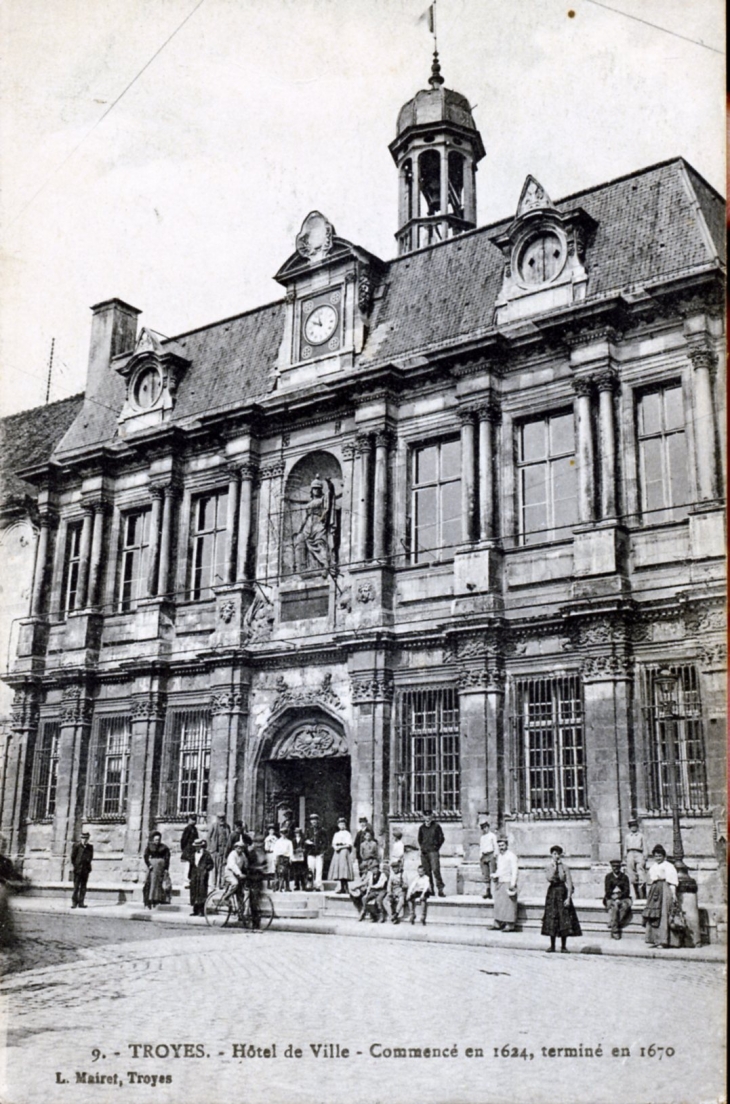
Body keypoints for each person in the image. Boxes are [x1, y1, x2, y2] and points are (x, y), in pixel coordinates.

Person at [541, 845, 582, 952]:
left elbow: (569, 882)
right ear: (551, 855)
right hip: (552, 894)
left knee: (564, 919)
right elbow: (549, 878)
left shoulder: (565, 867)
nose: (556, 856)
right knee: (552, 918)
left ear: (561, 855)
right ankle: (552, 945)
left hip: (562, 893)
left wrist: (568, 898)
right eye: (554, 854)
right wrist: (554, 867)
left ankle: (563, 946)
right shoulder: (548, 866)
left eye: (558, 854)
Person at [642, 844, 682, 948]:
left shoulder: (668, 866)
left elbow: (672, 881)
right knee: (653, 914)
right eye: (656, 856)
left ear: (664, 856)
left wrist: (673, 894)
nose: (657, 858)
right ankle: (654, 939)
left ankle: (664, 941)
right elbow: (650, 880)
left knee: (664, 914)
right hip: (654, 890)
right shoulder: (653, 866)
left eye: (659, 856)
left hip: (665, 889)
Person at [491, 836, 518, 932]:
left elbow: (514, 870)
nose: (501, 847)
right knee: (499, 903)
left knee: (509, 904)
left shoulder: (511, 856)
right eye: (499, 846)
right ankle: (498, 923)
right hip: (500, 881)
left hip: (508, 882)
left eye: (502, 845)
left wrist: (513, 883)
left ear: (506, 845)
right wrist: (495, 875)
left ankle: (510, 925)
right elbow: (500, 869)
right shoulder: (499, 856)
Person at [417, 810, 446, 897]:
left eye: (429, 816)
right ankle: (430, 890)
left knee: (436, 870)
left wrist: (436, 847)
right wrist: (423, 847)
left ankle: (440, 889)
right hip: (424, 852)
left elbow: (441, 838)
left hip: (433, 851)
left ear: (432, 816)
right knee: (427, 872)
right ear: (423, 817)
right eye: (426, 816)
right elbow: (420, 839)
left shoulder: (436, 826)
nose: (428, 818)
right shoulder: (421, 828)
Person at [603, 858, 632, 940]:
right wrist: (613, 897)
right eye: (614, 866)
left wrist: (619, 896)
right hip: (610, 898)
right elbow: (607, 890)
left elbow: (627, 891)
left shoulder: (624, 877)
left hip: (623, 897)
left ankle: (613, 923)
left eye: (617, 866)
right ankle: (615, 931)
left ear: (620, 867)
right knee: (615, 907)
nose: (616, 868)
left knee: (625, 906)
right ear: (611, 867)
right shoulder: (608, 877)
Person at [143, 831, 171, 910]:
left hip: (160, 868)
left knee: (159, 884)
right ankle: (149, 900)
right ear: (153, 839)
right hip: (152, 868)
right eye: (155, 839)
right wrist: (149, 865)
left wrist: (166, 868)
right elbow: (145, 857)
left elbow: (167, 858)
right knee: (150, 883)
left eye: (158, 839)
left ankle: (158, 899)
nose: (157, 841)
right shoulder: (149, 847)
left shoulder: (164, 847)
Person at [223, 840, 249, 916]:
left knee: (240, 894)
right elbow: (233, 865)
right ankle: (226, 897)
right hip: (230, 872)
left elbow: (246, 864)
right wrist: (239, 874)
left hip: (238, 873)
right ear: (235, 848)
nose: (240, 849)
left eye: (242, 848)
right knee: (235, 883)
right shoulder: (232, 855)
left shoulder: (243, 855)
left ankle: (240, 913)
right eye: (238, 848)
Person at [329, 817, 354, 894]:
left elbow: (349, 844)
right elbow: (333, 843)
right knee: (339, 870)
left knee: (344, 869)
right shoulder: (336, 834)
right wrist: (336, 847)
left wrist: (341, 847)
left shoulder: (347, 833)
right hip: (337, 852)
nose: (342, 826)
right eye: (340, 824)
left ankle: (346, 887)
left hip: (344, 851)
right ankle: (341, 887)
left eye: (343, 824)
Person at [189, 839, 214, 916]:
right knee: (194, 892)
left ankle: (201, 911)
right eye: (195, 847)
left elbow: (211, 864)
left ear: (201, 846)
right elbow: (191, 865)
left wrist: (206, 869)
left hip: (203, 876)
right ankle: (195, 910)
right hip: (195, 875)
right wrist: (190, 875)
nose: (197, 848)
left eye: (198, 847)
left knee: (202, 892)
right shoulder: (193, 855)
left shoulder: (206, 854)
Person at [624, 818, 647, 900]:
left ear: (637, 827)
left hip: (639, 852)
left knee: (640, 871)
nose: (633, 828)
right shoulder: (627, 836)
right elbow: (625, 847)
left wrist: (645, 855)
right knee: (631, 873)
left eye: (634, 826)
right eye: (631, 826)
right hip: (630, 853)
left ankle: (643, 893)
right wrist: (625, 856)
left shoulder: (641, 836)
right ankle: (636, 893)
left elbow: (644, 846)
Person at [70, 831, 94, 909]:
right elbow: (73, 857)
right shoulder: (76, 846)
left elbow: (90, 858)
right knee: (76, 887)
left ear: (88, 839)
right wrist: (76, 866)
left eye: (86, 838)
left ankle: (81, 902)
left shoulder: (90, 847)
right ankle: (74, 902)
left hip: (85, 870)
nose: (84, 840)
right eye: (83, 838)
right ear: (81, 838)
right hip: (78, 870)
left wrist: (87, 866)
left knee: (83, 887)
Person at [305, 813, 327, 890]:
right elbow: (305, 840)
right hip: (310, 852)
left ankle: (318, 885)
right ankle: (310, 884)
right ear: (310, 821)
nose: (313, 821)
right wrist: (307, 841)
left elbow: (325, 842)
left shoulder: (322, 830)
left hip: (319, 853)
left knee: (319, 869)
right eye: (312, 820)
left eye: (315, 820)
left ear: (317, 821)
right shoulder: (308, 830)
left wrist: (322, 852)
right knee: (310, 869)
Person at [209, 814, 231, 888]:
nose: (221, 819)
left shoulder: (227, 827)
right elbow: (208, 837)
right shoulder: (214, 826)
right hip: (216, 850)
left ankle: (222, 884)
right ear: (217, 818)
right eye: (220, 818)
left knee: (223, 868)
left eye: (223, 818)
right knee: (215, 867)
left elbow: (229, 838)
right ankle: (214, 884)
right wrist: (211, 848)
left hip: (224, 850)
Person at [479, 819, 498, 900]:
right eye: (483, 828)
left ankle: (495, 892)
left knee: (493, 873)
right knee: (486, 875)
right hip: (484, 855)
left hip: (491, 854)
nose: (484, 829)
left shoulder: (492, 836)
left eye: (485, 827)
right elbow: (481, 847)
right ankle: (488, 891)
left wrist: (495, 855)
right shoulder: (482, 837)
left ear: (488, 827)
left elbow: (495, 846)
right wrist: (480, 856)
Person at [386, 858, 408, 924]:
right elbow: (389, 884)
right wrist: (389, 892)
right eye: (393, 868)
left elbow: (406, 884)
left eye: (395, 867)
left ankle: (396, 913)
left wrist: (403, 885)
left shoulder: (403, 874)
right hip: (393, 890)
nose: (394, 869)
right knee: (386, 901)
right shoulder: (392, 875)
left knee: (401, 900)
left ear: (399, 867)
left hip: (400, 890)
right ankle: (392, 915)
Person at [273, 827, 294, 892]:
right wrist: (274, 859)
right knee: (278, 873)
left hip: (286, 858)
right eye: (282, 833)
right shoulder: (278, 842)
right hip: (279, 857)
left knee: (286, 872)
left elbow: (291, 850)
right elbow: (275, 851)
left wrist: (291, 858)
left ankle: (287, 887)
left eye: (285, 833)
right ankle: (277, 886)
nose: (283, 835)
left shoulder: (289, 842)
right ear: (280, 834)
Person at [180, 816, 198, 888]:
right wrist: (185, 849)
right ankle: (186, 882)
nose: (194, 821)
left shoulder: (194, 829)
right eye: (192, 819)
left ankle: (190, 881)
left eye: (195, 820)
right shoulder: (187, 829)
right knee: (187, 866)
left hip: (193, 850)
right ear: (189, 820)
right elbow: (183, 840)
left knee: (192, 866)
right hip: (188, 850)